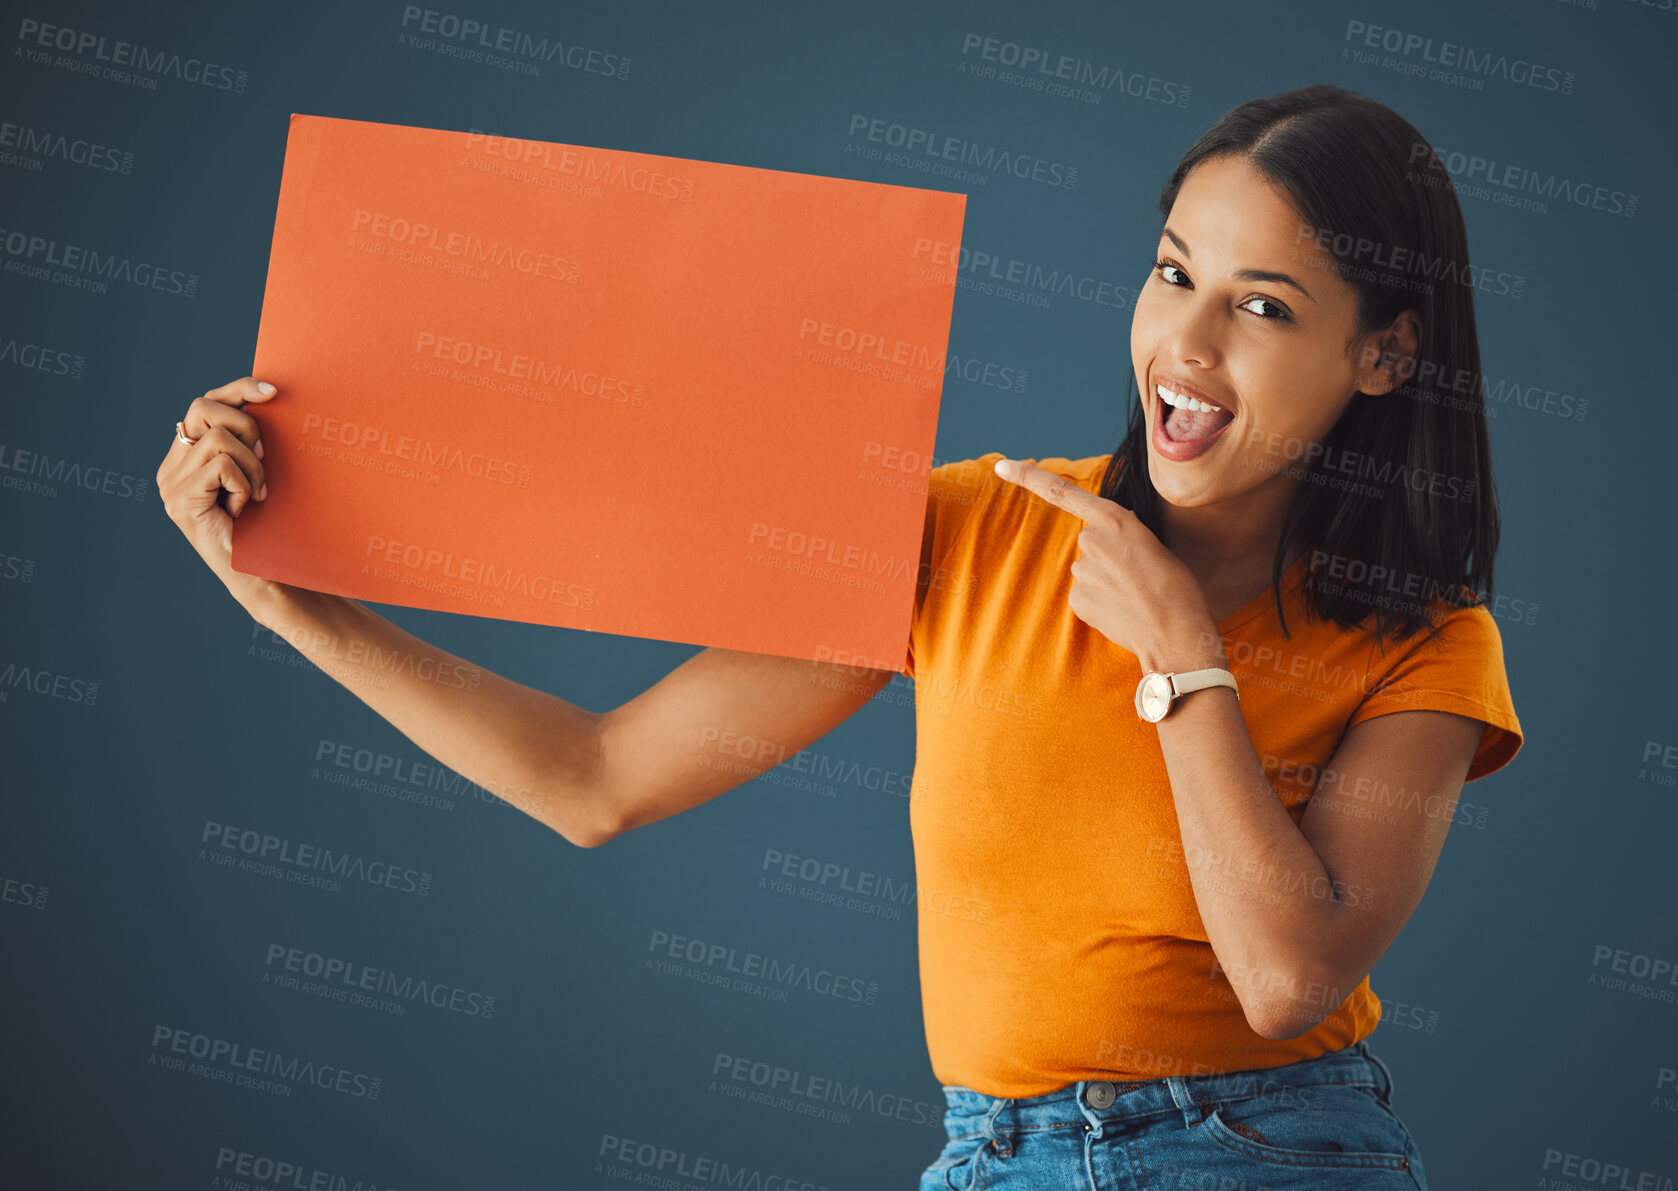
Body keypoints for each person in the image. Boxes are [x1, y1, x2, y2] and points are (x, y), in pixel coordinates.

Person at [158, 82, 1520, 1190]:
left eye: (1262, 305)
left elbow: (1286, 980)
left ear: (1385, 355)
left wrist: (1183, 663)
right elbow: (596, 779)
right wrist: (286, 595)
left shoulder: (1426, 646)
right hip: (986, 1159)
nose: (1186, 342)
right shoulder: (969, 532)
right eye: (1173, 275)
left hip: (1269, 1153)